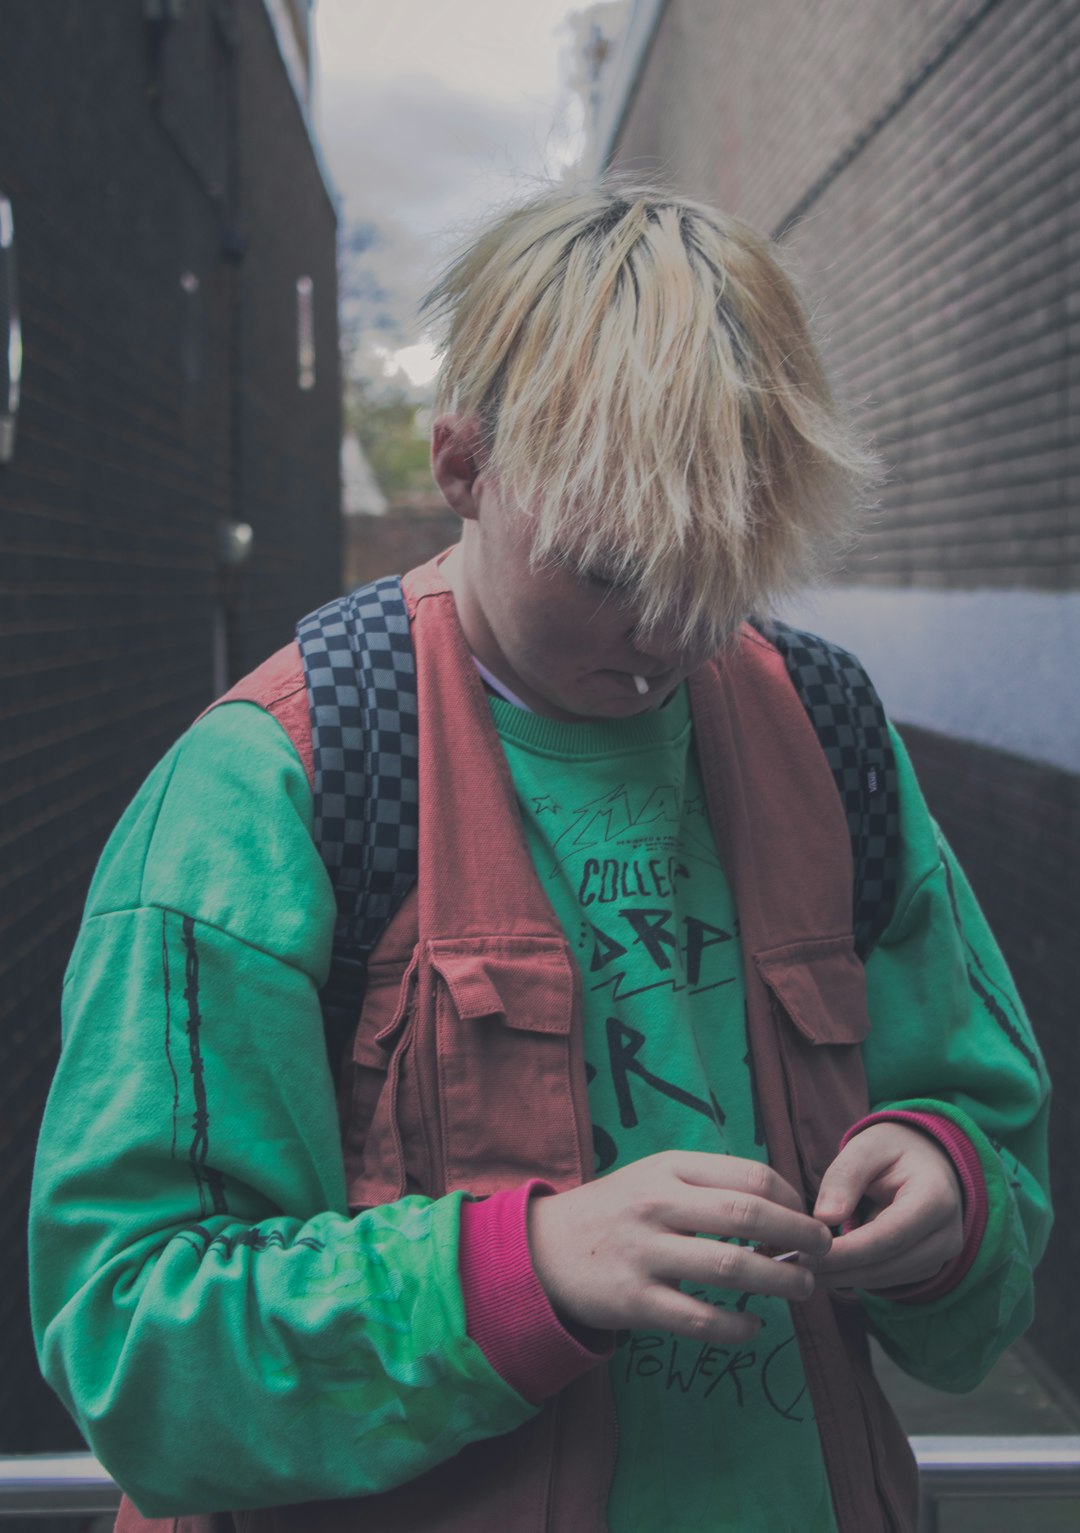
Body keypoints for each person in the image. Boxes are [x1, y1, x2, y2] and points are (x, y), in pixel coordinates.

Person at [30, 184, 1051, 1533]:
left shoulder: (827, 729)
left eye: (718, 577)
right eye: (611, 569)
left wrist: (951, 1192)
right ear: (462, 464)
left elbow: (997, 1152)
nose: (667, 641)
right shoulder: (269, 784)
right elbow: (133, 1343)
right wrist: (524, 1275)